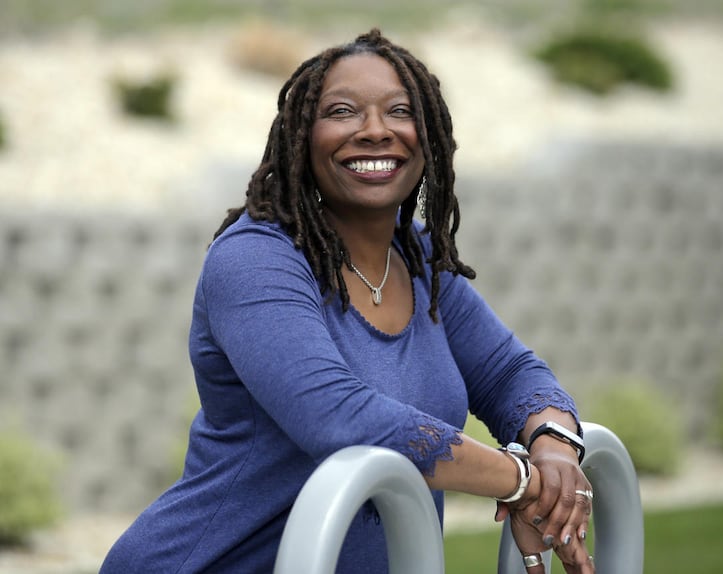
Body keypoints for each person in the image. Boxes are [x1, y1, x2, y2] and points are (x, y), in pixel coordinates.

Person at [100, 29, 594, 573]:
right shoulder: (255, 259)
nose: (376, 130)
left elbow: (510, 374)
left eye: (400, 111)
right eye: (342, 111)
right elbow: (339, 419)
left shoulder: (420, 259)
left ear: (429, 135)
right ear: (302, 138)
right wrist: (523, 482)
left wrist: (553, 448)